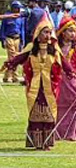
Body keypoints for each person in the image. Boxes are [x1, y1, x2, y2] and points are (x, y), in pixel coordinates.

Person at [1, 16, 66, 150]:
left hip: (50, 87)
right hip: (34, 87)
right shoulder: (31, 48)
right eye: (44, 32)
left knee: (49, 113)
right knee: (35, 113)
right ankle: (36, 143)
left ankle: (47, 142)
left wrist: (74, 74)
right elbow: (17, 59)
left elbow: (65, 64)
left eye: (49, 32)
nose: (47, 35)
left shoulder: (54, 49)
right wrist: (9, 65)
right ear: (38, 33)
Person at [55, 16, 76, 141]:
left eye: (74, 31)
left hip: (72, 79)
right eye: (69, 30)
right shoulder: (55, 47)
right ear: (62, 32)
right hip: (59, 79)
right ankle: (60, 132)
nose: (73, 33)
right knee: (60, 105)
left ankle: (75, 132)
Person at [1, 1, 25, 83]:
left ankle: (6, 76)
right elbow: (2, 29)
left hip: (17, 39)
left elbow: (22, 29)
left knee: (14, 58)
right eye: (17, 8)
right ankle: (14, 76)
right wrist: (3, 39)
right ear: (13, 8)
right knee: (13, 57)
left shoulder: (20, 17)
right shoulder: (7, 16)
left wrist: (22, 40)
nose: (18, 9)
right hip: (9, 38)